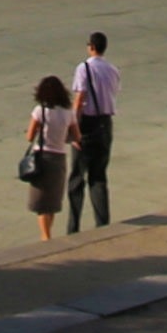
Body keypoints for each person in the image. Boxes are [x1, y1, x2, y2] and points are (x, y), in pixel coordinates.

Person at [67, 30, 120, 233]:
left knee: (77, 177)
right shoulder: (113, 69)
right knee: (99, 176)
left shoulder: (84, 68)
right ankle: (102, 224)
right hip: (105, 124)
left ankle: (73, 227)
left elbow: (80, 99)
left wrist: (74, 128)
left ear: (91, 47)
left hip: (87, 124)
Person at [18, 75, 75, 242]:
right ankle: (47, 234)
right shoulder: (68, 113)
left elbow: (29, 136)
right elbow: (75, 135)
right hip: (59, 158)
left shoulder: (39, 111)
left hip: (42, 158)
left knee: (41, 203)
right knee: (52, 202)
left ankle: (45, 237)